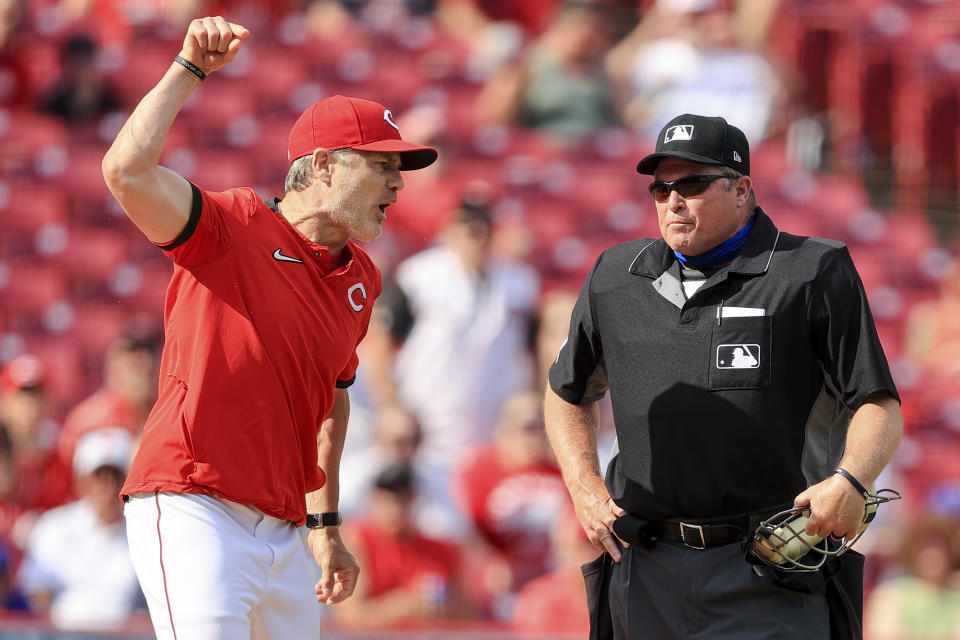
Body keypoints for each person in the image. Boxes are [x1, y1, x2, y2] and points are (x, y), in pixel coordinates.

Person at [100, 16, 438, 640]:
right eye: (381, 164)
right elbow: (126, 172)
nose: (397, 180)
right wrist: (189, 70)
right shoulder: (231, 226)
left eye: (399, 167)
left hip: (285, 531)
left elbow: (329, 406)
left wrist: (325, 525)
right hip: (192, 502)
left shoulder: (363, 277)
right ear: (324, 167)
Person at [544, 113, 903, 639]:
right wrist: (582, 486)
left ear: (742, 189)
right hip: (645, 568)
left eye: (691, 183)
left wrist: (851, 479)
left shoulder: (810, 271)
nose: (673, 200)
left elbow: (879, 405)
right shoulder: (615, 277)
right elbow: (566, 393)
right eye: (661, 187)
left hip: (769, 567)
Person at [17, 427, 143, 632]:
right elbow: (36, 597)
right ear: (81, 481)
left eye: (115, 476)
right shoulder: (54, 527)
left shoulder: (143, 532)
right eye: (98, 476)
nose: (107, 485)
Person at [330, 462, 472, 626]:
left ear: (414, 499)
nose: (395, 508)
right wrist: (403, 607)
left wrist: (441, 609)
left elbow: (467, 617)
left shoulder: (441, 550)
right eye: (388, 499)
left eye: (402, 499)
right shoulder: (357, 541)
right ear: (374, 499)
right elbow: (349, 617)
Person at [57, 321, 162, 469]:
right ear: (114, 366)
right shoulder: (88, 421)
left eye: (150, 353)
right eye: (134, 358)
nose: (145, 364)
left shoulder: (170, 413)